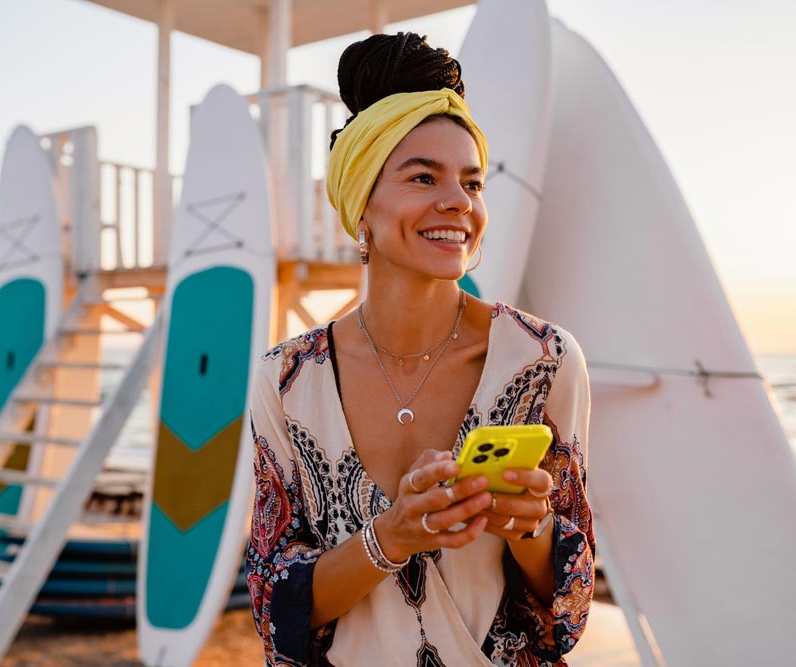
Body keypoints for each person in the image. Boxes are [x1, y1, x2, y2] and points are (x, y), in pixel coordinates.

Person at [245, 32, 594, 667]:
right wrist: (392, 536)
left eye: (472, 181)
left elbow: (567, 610)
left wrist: (529, 527)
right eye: (422, 177)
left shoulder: (545, 360)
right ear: (362, 208)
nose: (458, 202)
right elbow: (277, 610)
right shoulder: (286, 381)